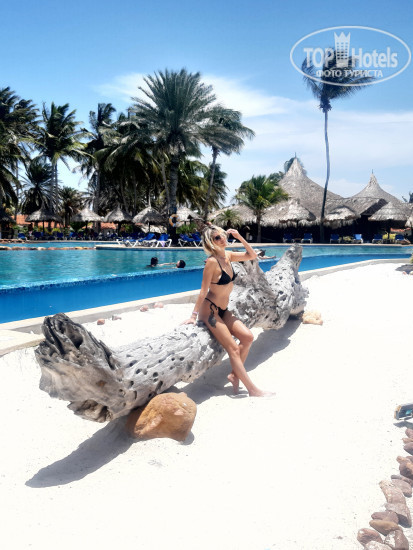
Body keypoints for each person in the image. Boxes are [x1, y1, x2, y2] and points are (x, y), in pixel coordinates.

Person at [182, 224, 274, 398]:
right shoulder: (211, 262)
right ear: (210, 242)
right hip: (210, 312)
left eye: (223, 235)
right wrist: (193, 316)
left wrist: (239, 237)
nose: (222, 239)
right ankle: (253, 390)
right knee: (233, 348)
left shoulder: (228, 255)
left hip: (223, 310)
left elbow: (252, 255)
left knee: (247, 337)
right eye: (217, 238)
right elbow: (203, 291)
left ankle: (234, 375)